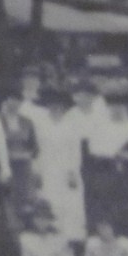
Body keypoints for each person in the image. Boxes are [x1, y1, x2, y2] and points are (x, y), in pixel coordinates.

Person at [83, 93, 128, 254]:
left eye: (120, 106)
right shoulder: (100, 128)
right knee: (109, 217)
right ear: (108, 108)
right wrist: (113, 154)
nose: (117, 110)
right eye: (113, 107)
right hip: (107, 178)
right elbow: (93, 149)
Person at [31, 87, 87, 245]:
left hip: (66, 169)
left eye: (60, 105)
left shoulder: (72, 125)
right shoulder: (40, 125)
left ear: (64, 107)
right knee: (49, 201)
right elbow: (35, 150)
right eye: (52, 105)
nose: (56, 108)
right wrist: (36, 171)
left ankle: (70, 243)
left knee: (70, 205)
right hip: (46, 168)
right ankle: (50, 239)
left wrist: (72, 172)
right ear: (47, 106)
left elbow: (76, 151)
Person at [0, 92, 40, 221]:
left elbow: (34, 148)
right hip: (4, 165)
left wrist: (26, 154)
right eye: (11, 99)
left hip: (23, 167)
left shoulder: (27, 122)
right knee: (6, 199)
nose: (14, 103)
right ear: (6, 101)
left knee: (24, 198)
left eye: (17, 100)